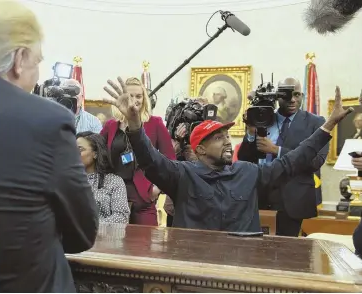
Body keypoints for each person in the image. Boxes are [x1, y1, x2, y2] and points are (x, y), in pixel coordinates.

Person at [0, 1, 98, 292]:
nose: (37, 73)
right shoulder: (47, 120)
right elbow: (82, 234)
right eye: (37, 61)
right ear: (20, 59)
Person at [101, 77, 351, 232]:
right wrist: (135, 125)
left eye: (227, 136)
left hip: (240, 268)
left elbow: (292, 162)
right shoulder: (182, 175)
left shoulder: (249, 172)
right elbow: (149, 159)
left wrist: (327, 127)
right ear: (198, 150)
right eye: (217, 138)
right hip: (192, 269)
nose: (227, 141)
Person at [237, 77, 329, 237]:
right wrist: (251, 134)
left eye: (297, 95)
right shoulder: (263, 118)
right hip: (259, 198)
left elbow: (315, 161)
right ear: (277, 96)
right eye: (287, 95)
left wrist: (276, 150)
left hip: (294, 202)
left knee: (289, 255)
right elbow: (244, 159)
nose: (293, 100)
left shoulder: (315, 122)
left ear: (302, 95)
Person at [101, 77, 176, 226]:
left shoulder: (155, 123)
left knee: (142, 247)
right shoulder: (111, 126)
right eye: (130, 96)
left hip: (143, 196)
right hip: (112, 194)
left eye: (139, 96)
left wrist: (157, 188)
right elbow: (98, 154)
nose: (134, 100)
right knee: (112, 245)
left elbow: (171, 160)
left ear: (144, 99)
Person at [76, 131, 130, 224]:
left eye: (80, 149)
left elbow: (121, 216)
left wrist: (92, 227)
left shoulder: (113, 181)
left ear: (95, 154)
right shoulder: (66, 181)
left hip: (105, 235)